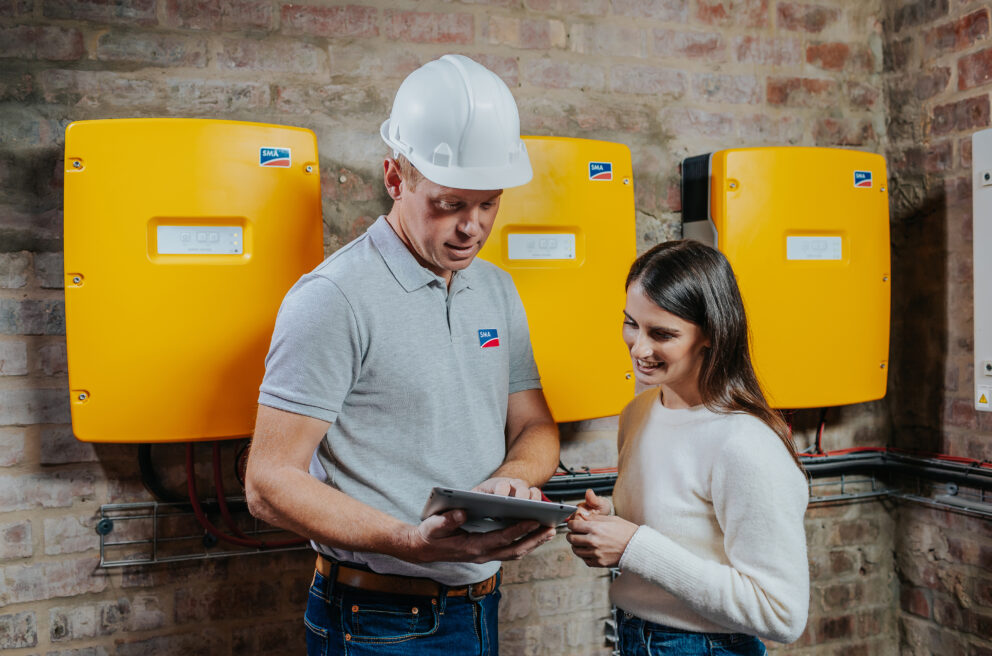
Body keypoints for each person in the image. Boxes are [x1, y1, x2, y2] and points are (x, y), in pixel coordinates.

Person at [245, 54, 560, 655]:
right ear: (396, 178)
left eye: (488, 203)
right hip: (377, 617)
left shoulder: (495, 288)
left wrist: (511, 482)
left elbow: (534, 424)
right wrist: (408, 541)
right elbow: (267, 483)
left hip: (481, 605)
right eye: (449, 203)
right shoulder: (333, 298)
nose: (472, 227)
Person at [566, 240, 809, 655]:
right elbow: (680, 533)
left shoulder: (746, 444)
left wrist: (633, 546)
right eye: (631, 324)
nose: (639, 349)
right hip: (635, 635)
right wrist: (612, 522)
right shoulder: (638, 413)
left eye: (662, 334)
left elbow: (782, 613)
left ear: (711, 334)